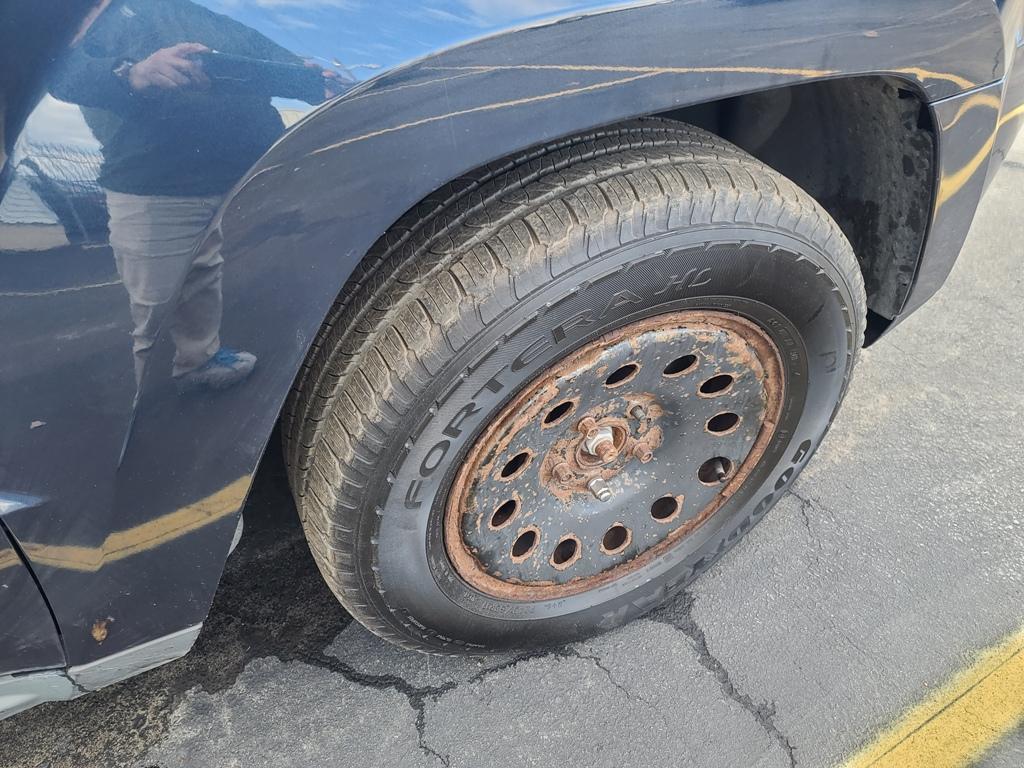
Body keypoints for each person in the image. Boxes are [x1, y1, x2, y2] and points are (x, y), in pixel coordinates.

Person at [51, 0, 343, 389]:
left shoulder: (213, 16)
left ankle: (197, 361)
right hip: (154, 185)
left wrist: (310, 76)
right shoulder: (95, 14)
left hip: (247, 175)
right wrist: (133, 72)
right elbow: (60, 74)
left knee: (204, 273)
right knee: (156, 300)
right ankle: (149, 400)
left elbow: (274, 59)